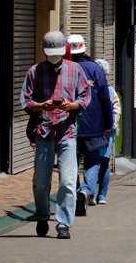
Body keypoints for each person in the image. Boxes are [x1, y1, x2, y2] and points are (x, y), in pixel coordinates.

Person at [21, 30, 90, 240]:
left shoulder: (75, 69)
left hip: (67, 130)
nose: (54, 57)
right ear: (44, 51)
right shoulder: (35, 71)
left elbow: (86, 96)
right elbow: (25, 100)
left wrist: (74, 105)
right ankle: (42, 215)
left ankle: (63, 223)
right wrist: (41, 105)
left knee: (68, 180)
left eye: (58, 52)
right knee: (40, 181)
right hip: (43, 130)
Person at [66, 34, 113, 216]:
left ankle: (76, 193)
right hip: (94, 125)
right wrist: (108, 124)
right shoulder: (95, 68)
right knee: (92, 162)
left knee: (72, 163)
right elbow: (105, 98)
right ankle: (85, 191)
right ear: (84, 48)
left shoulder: (65, 68)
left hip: (70, 125)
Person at [93, 58, 121, 205]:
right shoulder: (110, 90)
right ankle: (101, 195)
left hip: (95, 132)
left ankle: (93, 193)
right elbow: (117, 110)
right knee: (103, 163)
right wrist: (112, 126)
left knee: (94, 163)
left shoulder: (90, 88)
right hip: (107, 132)